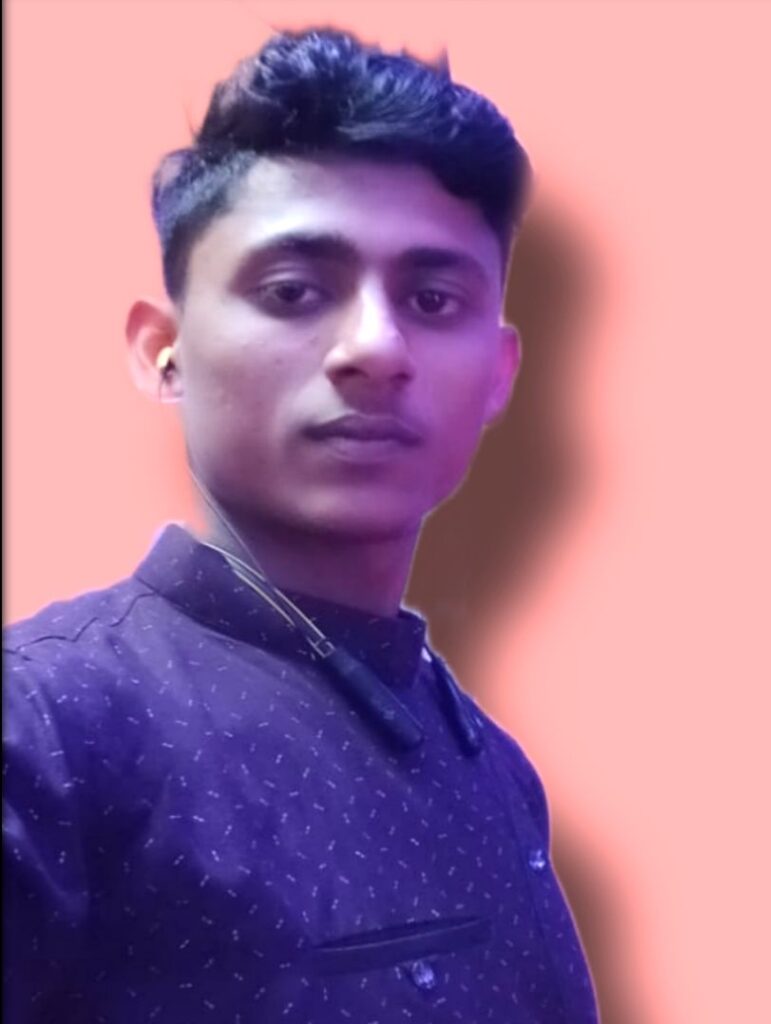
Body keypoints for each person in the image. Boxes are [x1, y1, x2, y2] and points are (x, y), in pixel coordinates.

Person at [3, 28, 599, 1023]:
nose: (375, 347)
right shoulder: (46, 730)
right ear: (162, 350)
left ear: (498, 376)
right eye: (293, 292)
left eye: (432, 299)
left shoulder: (490, 762)